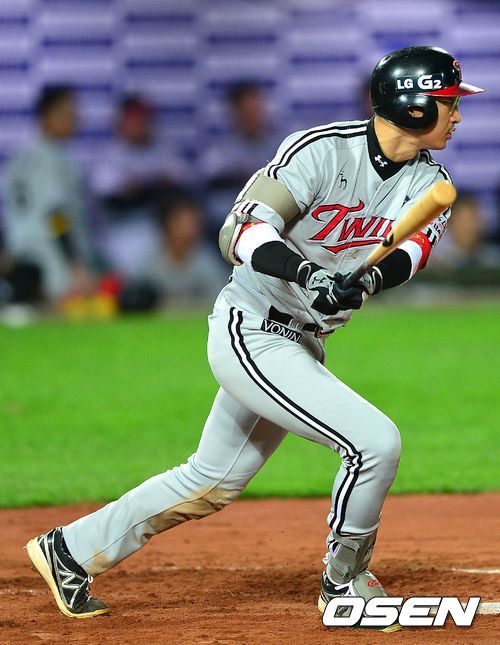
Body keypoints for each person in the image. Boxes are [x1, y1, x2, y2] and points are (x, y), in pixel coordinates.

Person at [26, 46, 483, 629]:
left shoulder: (431, 181)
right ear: (413, 105)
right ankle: (345, 581)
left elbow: (410, 254)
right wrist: (307, 274)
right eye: (448, 102)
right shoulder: (320, 151)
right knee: (376, 443)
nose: (457, 115)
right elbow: (241, 230)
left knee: (211, 481)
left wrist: (365, 279)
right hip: (253, 326)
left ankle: (69, 549)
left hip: (303, 341)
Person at [3, 86, 93, 306]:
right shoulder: (52, 160)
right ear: (45, 117)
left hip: (21, 258)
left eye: (74, 114)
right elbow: (55, 214)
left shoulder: (18, 158)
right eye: (65, 114)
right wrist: (74, 263)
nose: (73, 120)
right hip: (53, 259)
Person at [90, 94, 191, 279]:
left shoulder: (163, 151)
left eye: (143, 120)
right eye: (133, 120)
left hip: (158, 230)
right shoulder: (110, 156)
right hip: (123, 232)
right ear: (121, 122)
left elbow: (181, 182)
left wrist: (144, 186)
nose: (139, 125)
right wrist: (149, 186)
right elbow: (111, 196)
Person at [198, 82, 283, 243]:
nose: (253, 116)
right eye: (247, 111)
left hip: (271, 213)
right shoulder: (220, 150)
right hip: (230, 217)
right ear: (235, 113)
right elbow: (207, 183)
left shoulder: (279, 146)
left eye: (256, 109)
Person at [125, 196, 229, 309]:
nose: (192, 230)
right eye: (185, 223)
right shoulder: (150, 262)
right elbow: (136, 299)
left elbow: (221, 299)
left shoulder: (206, 260)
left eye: (194, 223)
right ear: (168, 224)